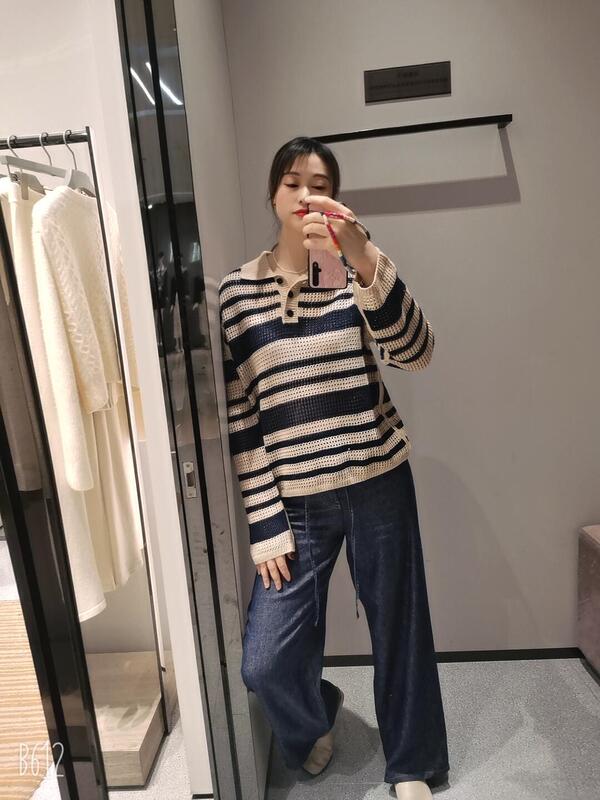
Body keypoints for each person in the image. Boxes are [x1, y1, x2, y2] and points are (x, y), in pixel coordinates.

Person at [218, 137, 450, 798]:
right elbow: (243, 418)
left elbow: (417, 353)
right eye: (293, 182)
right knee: (265, 660)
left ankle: (411, 763)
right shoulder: (237, 293)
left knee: (399, 624)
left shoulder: (350, 271)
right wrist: (265, 523)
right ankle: (314, 717)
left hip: (377, 479)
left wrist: (362, 254)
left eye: (319, 185)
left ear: (337, 201)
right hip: (297, 502)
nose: (305, 195)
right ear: (273, 193)